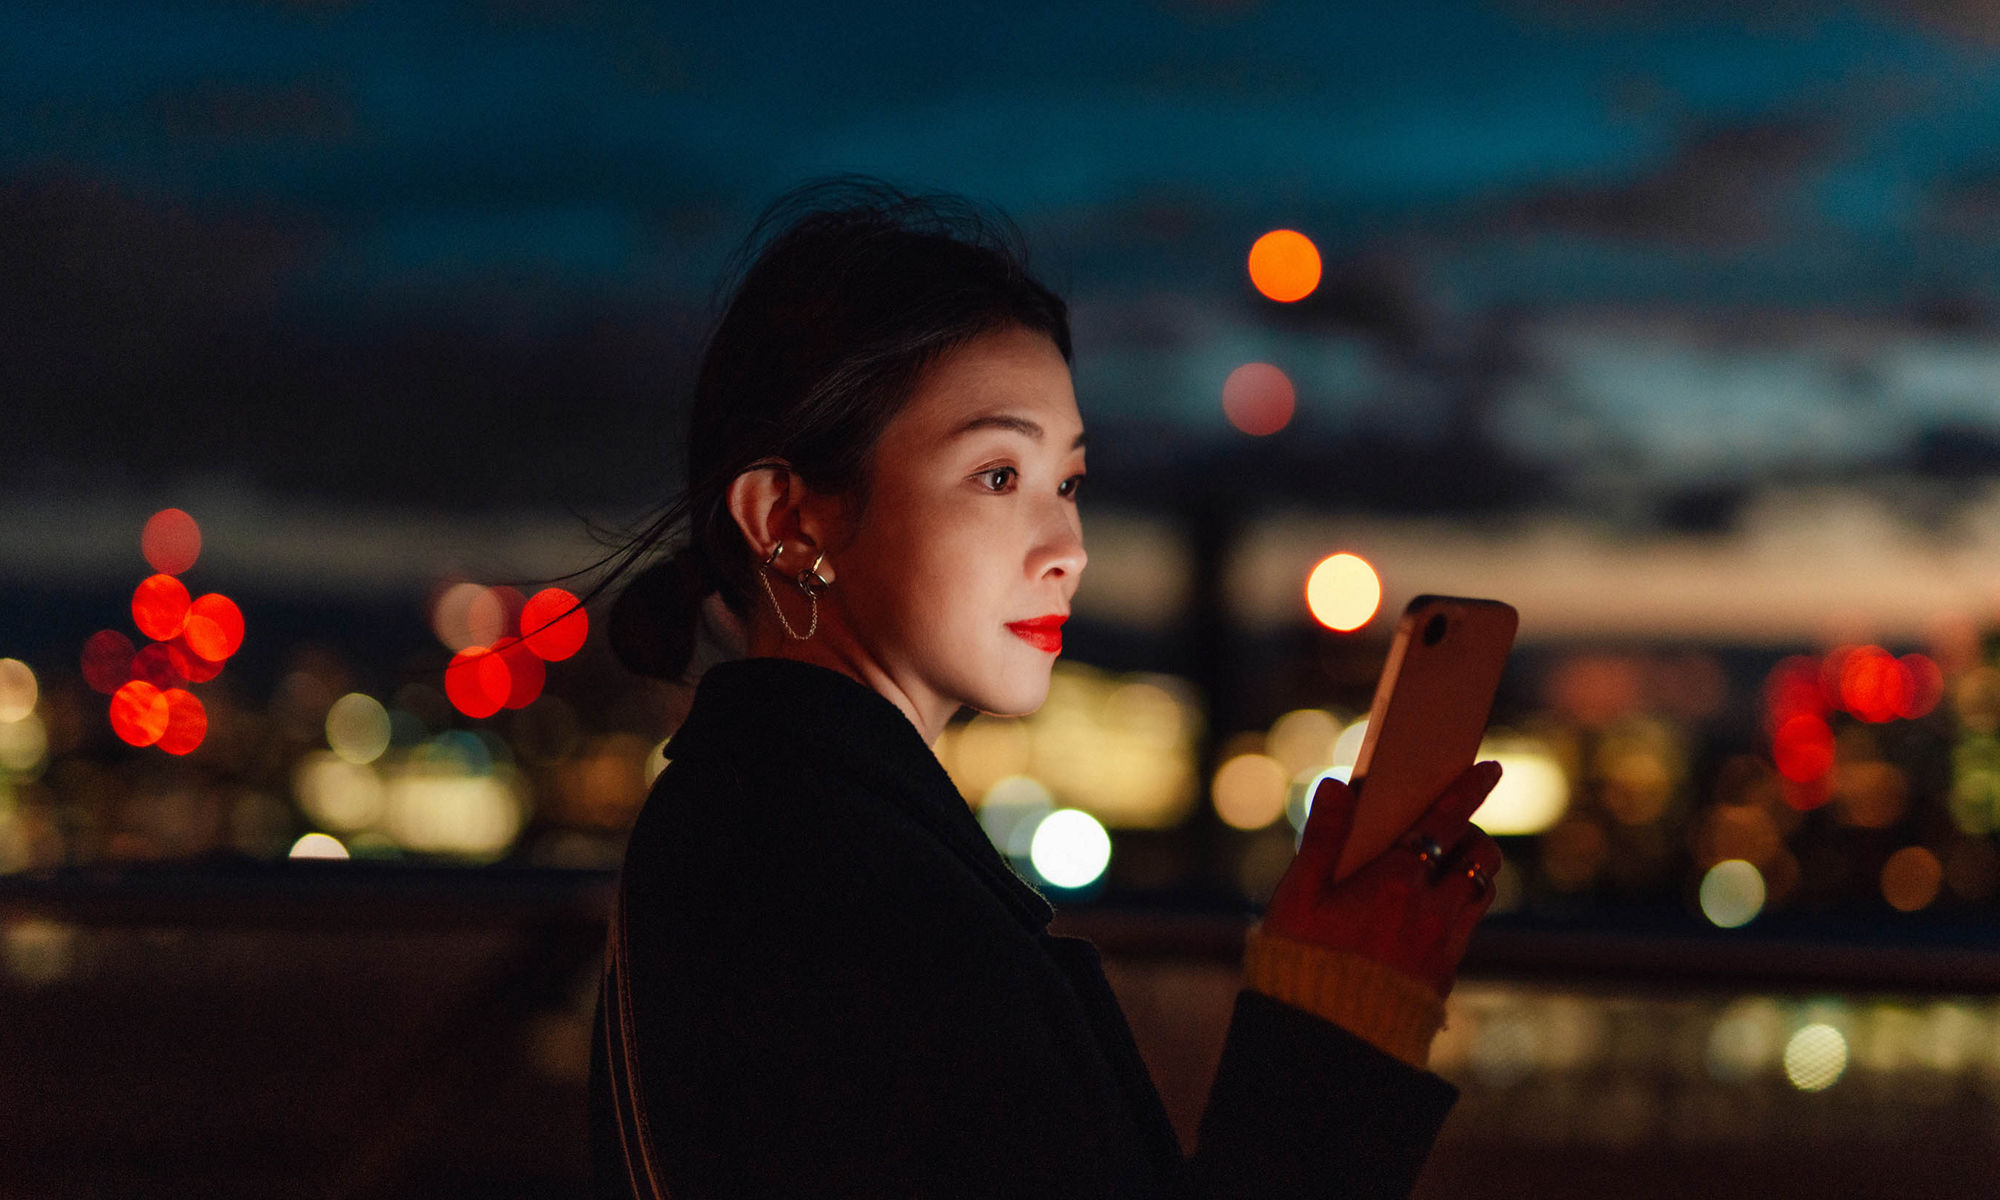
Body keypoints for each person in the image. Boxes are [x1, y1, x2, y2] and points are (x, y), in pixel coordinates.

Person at [588, 178, 1504, 1200]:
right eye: (995, 476)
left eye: (1066, 483)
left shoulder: (778, 826)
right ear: (788, 520)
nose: (1066, 547)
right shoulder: (832, 883)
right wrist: (1337, 1020)